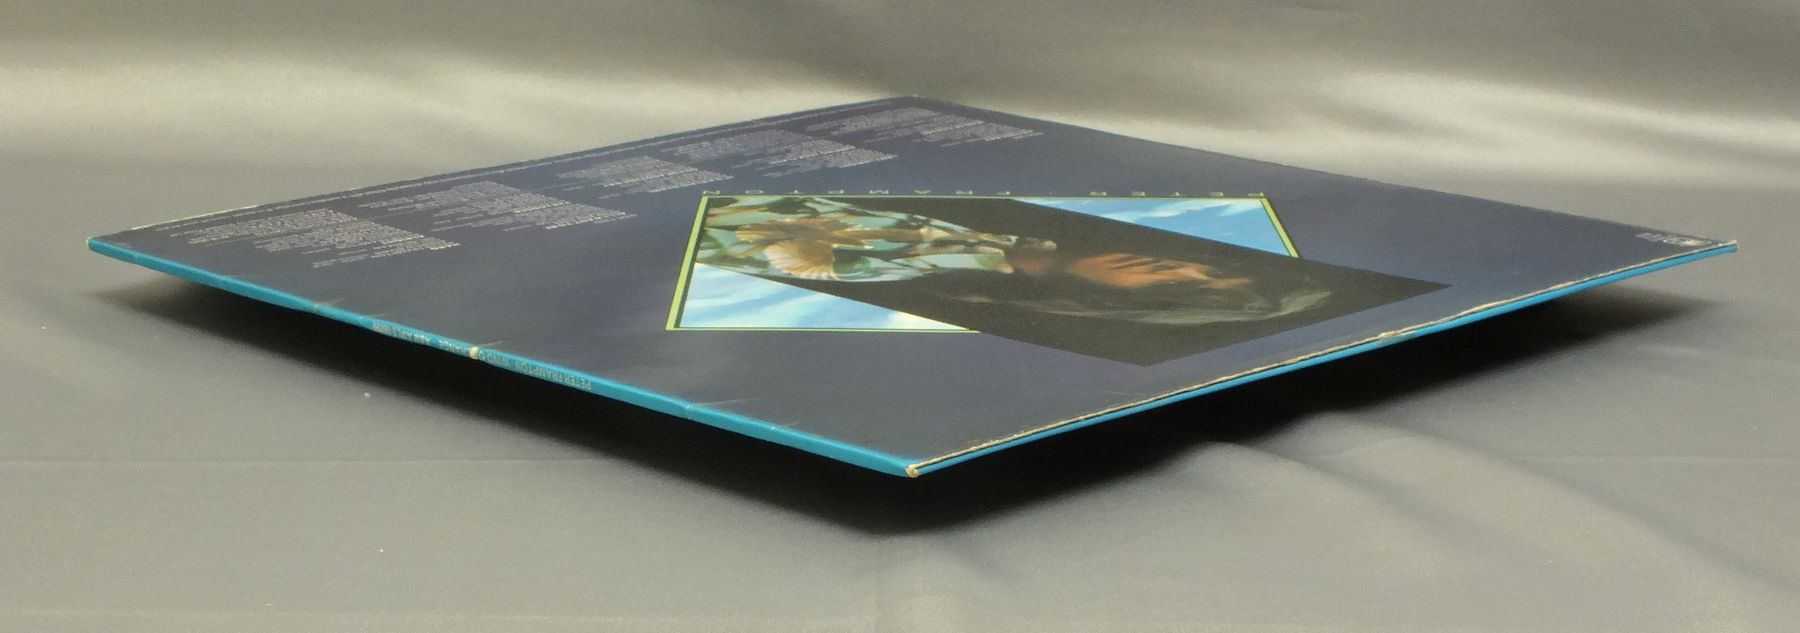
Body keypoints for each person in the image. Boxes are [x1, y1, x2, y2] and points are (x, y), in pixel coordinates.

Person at [694, 196, 1330, 327]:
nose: (1182, 268)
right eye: (1210, 266)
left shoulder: (919, 274)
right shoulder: (1005, 235)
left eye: (1193, 288)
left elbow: (729, 240)